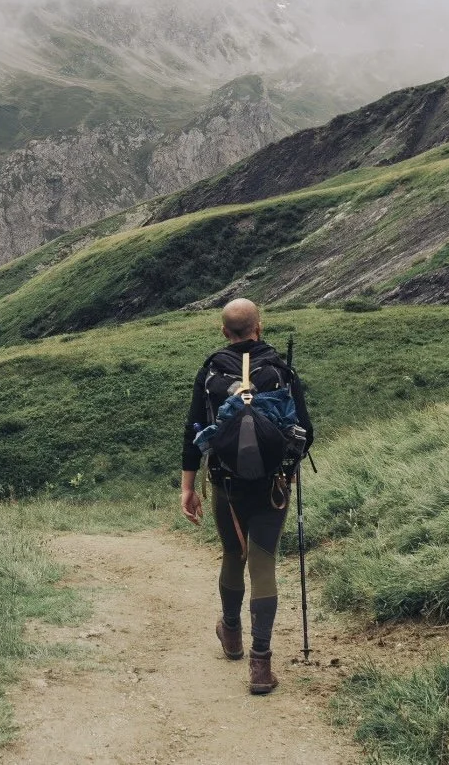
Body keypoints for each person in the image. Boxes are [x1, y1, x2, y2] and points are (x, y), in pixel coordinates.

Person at [180, 298, 314, 695]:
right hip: (274, 485)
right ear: (259, 327)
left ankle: (232, 634)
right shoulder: (280, 370)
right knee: (263, 561)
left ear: (225, 331)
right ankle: (260, 665)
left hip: (226, 484)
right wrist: (287, 464)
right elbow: (305, 431)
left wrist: (188, 487)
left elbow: (193, 432)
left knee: (232, 554)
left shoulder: (210, 373)